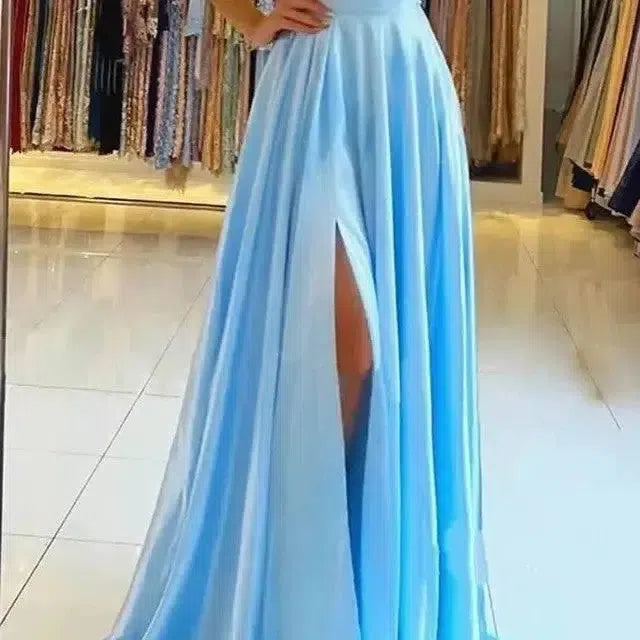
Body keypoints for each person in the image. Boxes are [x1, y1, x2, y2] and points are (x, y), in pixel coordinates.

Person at [110, 1, 496, 638]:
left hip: (403, 81)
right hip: (316, 85)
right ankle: (301, 593)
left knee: (385, 361)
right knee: (342, 350)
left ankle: (366, 587)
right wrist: (251, 19)